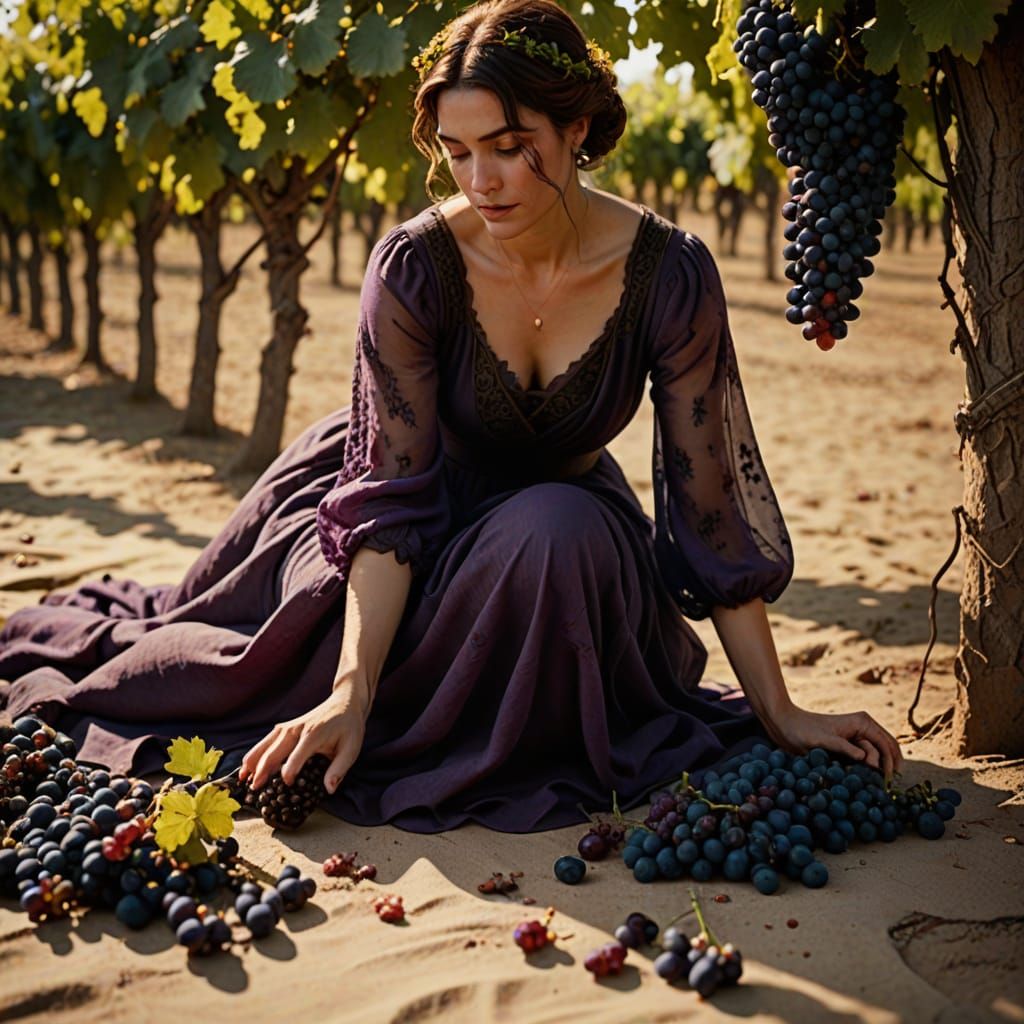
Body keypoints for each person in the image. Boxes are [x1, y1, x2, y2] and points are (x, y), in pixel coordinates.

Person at [0, 0, 901, 833]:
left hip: (559, 536)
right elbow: (389, 495)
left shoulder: (671, 273)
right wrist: (352, 691)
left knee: (557, 531)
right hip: (404, 512)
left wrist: (779, 709)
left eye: (508, 146)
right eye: (458, 151)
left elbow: (710, 513)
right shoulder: (413, 266)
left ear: (577, 129)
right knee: (237, 677)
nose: (481, 180)